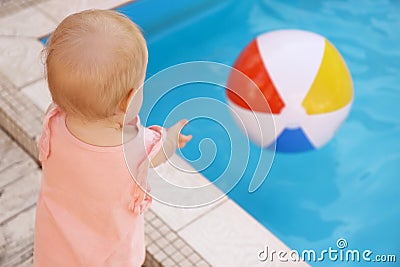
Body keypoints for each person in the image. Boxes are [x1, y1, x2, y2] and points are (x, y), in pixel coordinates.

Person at [34, 9, 192, 266]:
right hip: (112, 258)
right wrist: (173, 136)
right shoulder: (137, 148)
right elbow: (162, 150)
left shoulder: (54, 121)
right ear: (129, 100)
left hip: (56, 248)